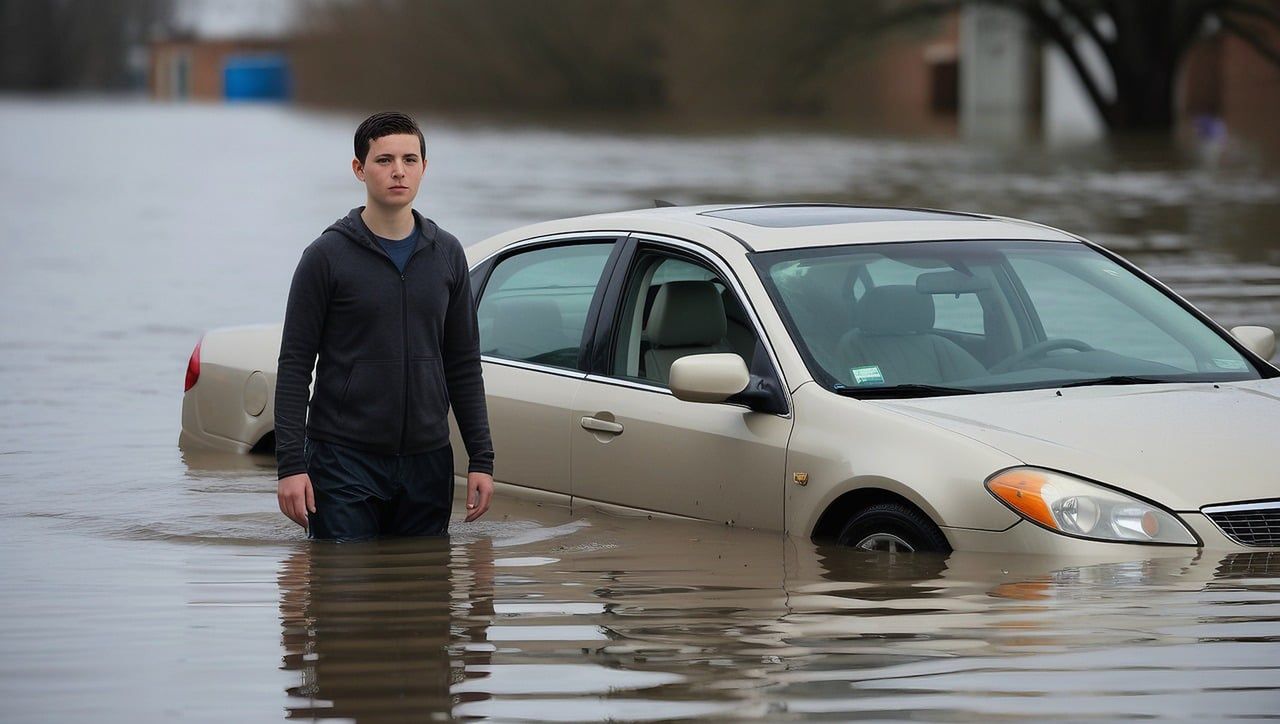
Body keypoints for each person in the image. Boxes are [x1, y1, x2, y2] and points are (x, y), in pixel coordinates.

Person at [274, 111, 494, 540]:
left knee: (426, 594)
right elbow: (296, 366)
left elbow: (464, 365)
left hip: (428, 461)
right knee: (343, 594)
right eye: (384, 160)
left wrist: (481, 460)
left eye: (410, 160)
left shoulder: (447, 254)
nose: (398, 171)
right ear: (359, 169)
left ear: (424, 168)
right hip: (343, 460)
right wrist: (291, 467)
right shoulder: (326, 256)